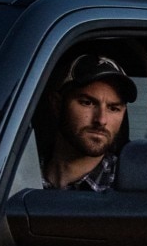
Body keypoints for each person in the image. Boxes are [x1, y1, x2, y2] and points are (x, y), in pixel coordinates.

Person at [41, 53, 137, 191]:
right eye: (87, 103)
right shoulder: (13, 174)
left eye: (113, 108)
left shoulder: (132, 187)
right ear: (57, 104)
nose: (101, 120)